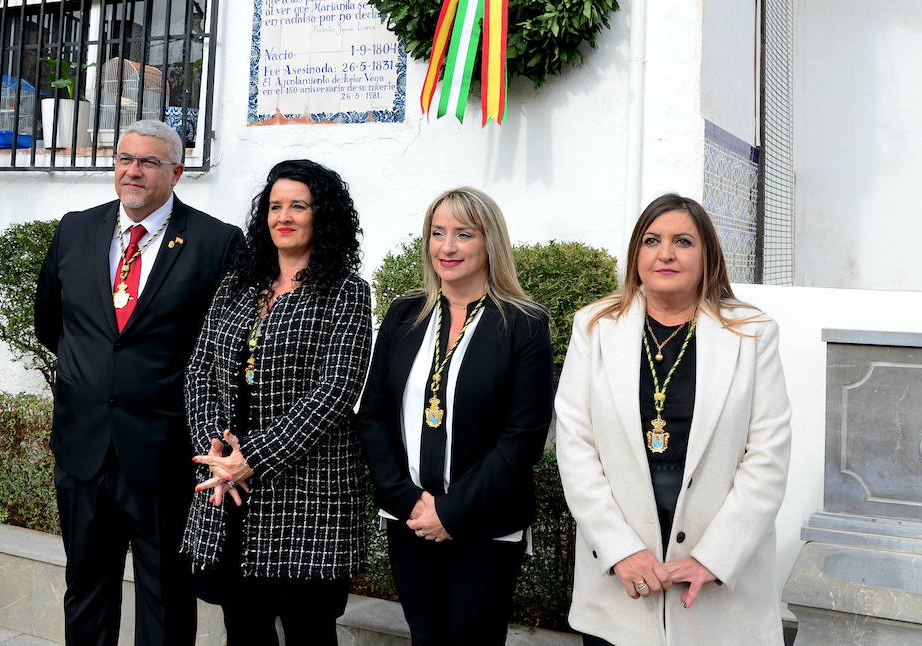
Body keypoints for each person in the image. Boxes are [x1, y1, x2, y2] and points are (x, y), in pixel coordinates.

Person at [34, 119, 244, 646]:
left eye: (149, 161)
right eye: (124, 159)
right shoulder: (75, 230)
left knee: (166, 594)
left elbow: (224, 351)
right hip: (83, 447)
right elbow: (51, 324)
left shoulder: (216, 242)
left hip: (165, 451)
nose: (133, 171)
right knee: (86, 586)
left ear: (177, 172)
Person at [554, 194, 792, 646]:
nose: (665, 253)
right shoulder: (594, 327)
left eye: (683, 241)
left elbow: (767, 457)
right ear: (636, 254)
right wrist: (620, 548)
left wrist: (715, 557)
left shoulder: (752, 332)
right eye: (651, 241)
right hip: (621, 585)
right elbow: (576, 446)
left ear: (708, 256)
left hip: (719, 596)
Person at [182, 159, 372, 646]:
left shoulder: (346, 292)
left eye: (298, 206)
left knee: (309, 630)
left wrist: (253, 457)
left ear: (322, 216)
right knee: (244, 628)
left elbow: (336, 390)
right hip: (230, 489)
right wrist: (219, 454)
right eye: (274, 206)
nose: (283, 217)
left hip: (308, 491)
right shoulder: (236, 286)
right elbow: (200, 371)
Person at [357, 187, 554, 646]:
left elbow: (523, 436)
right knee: (425, 637)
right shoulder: (405, 314)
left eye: (464, 234)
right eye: (437, 233)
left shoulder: (523, 323)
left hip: (485, 523)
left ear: (490, 242)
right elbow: (372, 415)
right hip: (409, 519)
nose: (447, 247)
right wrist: (408, 500)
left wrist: (450, 511)